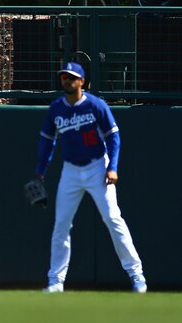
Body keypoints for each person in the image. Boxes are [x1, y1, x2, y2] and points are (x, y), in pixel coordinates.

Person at [35, 62, 146, 293]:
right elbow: (47, 142)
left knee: (112, 219)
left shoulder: (96, 105)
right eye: (64, 77)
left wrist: (112, 167)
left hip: (97, 166)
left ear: (82, 81)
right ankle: (55, 282)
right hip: (71, 171)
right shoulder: (56, 108)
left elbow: (114, 138)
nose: (67, 80)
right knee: (61, 225)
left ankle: (137, 276)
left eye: (72, 77)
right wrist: (40, 172)